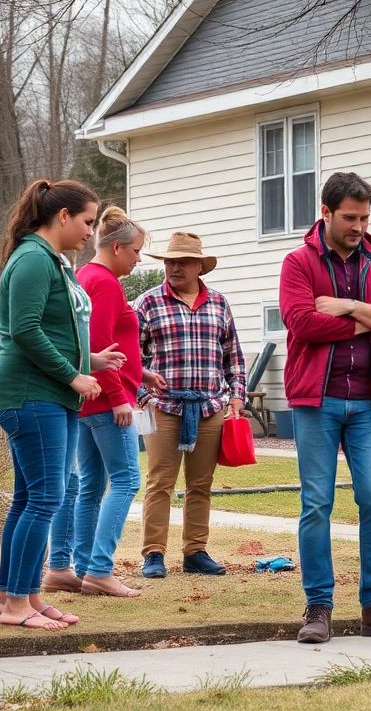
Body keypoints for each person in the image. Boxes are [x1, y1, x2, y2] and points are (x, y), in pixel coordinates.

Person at [280, 171, 371, 644]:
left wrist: (342, 306)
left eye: (364, 217)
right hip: (316, 400)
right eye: (350, 217)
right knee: (316, 503)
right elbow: (302, 324)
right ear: (326, 212)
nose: (359, 226)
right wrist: (369, 315)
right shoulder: (298, 262)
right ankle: (318, 606)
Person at [0, 179, 126, 631]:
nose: (91, 231)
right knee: (47, 497)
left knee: (30, 498)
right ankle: (15, 606)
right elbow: (25, 331)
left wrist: (91, 360)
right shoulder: (32, 259)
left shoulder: (53, 261)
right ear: (63, 216)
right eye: (87, 221)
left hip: (48, 394)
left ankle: (19, 595)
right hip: (33, 395)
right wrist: (73, 375)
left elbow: (55, 331)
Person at [135, 231, 247, 579]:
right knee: (159, 483)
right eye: (170, 261)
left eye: (182, 261)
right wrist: (143, 396)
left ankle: (195, 551)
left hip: (210, 408)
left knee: (201, 484)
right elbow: (129, 358)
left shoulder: (219, 304)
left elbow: (233, 357)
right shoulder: (147, 303)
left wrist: (237, 396)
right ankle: (154, 553)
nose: (174, 267)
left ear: (199, 266)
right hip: (163, 408)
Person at [70, 206, 150, 596]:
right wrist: (120, 397)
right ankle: (101, 569)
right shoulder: (102, 281)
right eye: (136, 252)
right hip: (105, 402)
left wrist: (141, 373)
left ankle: (82, 568)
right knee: (126, 481)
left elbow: (110, 344)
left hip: (92, 399)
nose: (138, 260)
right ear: (117, 247)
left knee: (91, 485)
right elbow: (96, 347)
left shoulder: (87, 276)